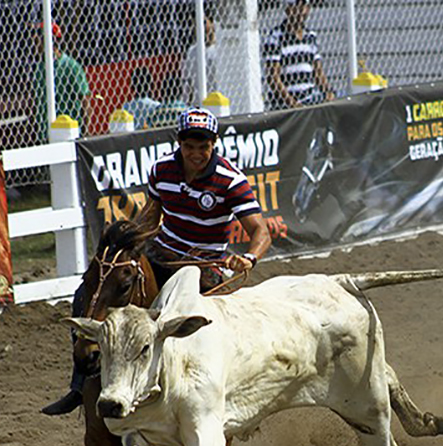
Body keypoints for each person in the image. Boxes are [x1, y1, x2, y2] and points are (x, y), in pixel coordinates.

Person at [42, 107, 272, 415]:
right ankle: (80, 385)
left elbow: (261, 231)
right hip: (160, 255)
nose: (196, 153)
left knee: (189, 326)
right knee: (88, 292)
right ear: (179, 142)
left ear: (214, 144)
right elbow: (152, 214)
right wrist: (132, 240)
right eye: (190, 146)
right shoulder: (162, 169)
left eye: (203, 147)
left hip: (203, 269)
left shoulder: (230, 181)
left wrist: (248, 258)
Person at [263, 0, 335, 110]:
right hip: (288, 102)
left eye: (305, 6)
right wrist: (293, 104)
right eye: (296, 6)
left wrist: (328, 92)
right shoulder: (276, 37)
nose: (301, 11)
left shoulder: (310, 36)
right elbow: (273, 77)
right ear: (287, 9)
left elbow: (318, 71)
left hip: (310, 97)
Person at [32, 21, 90, 138]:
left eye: (38, 36)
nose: (34, 41)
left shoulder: (71, 67)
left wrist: (85, 132)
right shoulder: (39, 69)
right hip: (44, 134)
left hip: (69, 132)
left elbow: (84, 100)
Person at [183, 14, 218, 105]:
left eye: (208, 32)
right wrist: (187, 103)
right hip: (199, 101)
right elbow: (188, 81)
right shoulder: (192, 52)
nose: (206, 36)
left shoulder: (219, 50)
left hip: (217, 99)